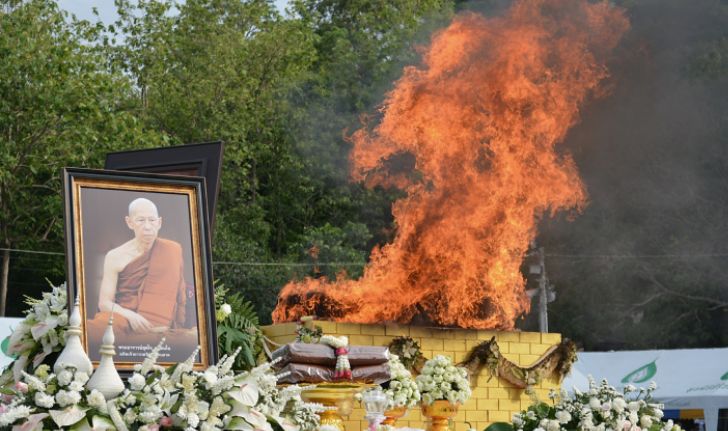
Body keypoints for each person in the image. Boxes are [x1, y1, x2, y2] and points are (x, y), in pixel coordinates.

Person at [86, 198, 189, 345]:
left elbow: (179, 294)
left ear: (159, 222)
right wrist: (130, 316)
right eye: (140, 220)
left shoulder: (172, 250)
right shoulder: (115, 256)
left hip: (159, 324)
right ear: (129, 222)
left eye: (152, 220)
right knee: (93, 331)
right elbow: (104, 303)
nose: (147, 226)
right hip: (123, 320)